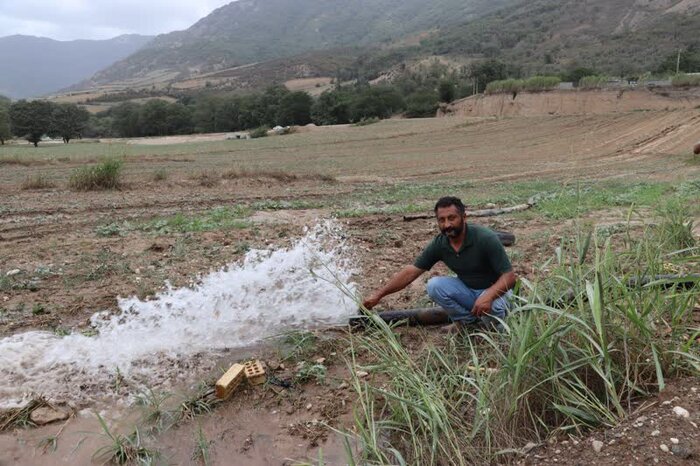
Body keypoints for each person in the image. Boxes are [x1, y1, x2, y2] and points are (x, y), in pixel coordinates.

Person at [362, 196, 516, 331]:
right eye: (441, 220)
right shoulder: (440, 244)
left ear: (464, 217)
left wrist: (488, 296)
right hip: (470, 293)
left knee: (495, 321)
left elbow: (509, 277)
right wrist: (379, 295)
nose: (447, 225)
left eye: (452, 218)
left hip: (497, 293)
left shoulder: (485, 238)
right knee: (434, 285)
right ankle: (466, 322)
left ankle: (497, 322)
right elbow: (411, 272)